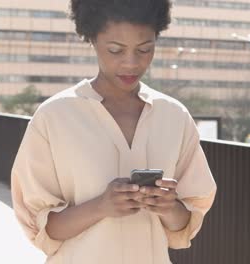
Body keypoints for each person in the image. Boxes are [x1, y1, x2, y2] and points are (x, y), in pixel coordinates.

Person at [11, 0, 217, 263]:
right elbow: (43, 230)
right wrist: (100, 207)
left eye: (144, 50)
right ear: (93, 40)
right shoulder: (54, 116)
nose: (131, 63)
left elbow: (184, 226)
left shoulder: (174, 116)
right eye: (115, 50)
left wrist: (169, 207)